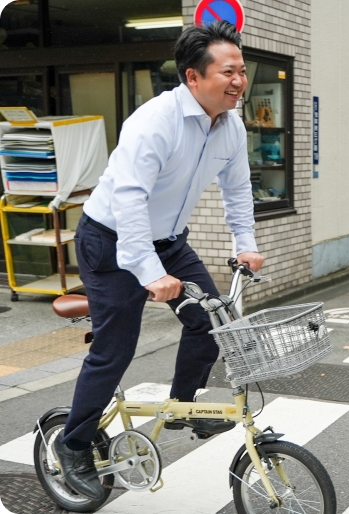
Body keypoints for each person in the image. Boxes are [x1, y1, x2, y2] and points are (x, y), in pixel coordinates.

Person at [52, 21, 264, 501]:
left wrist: (244, 243)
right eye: (228, 72)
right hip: (110, 243)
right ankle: (74, 444)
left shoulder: (230, 127)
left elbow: (238, 191)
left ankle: (185, 406)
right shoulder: (154, 121)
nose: (239, 81)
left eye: (242, 71)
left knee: (214, 320)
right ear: (193, 77)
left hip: (169, 240)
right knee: (117, 347)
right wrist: (149, 274)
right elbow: (128, 201)